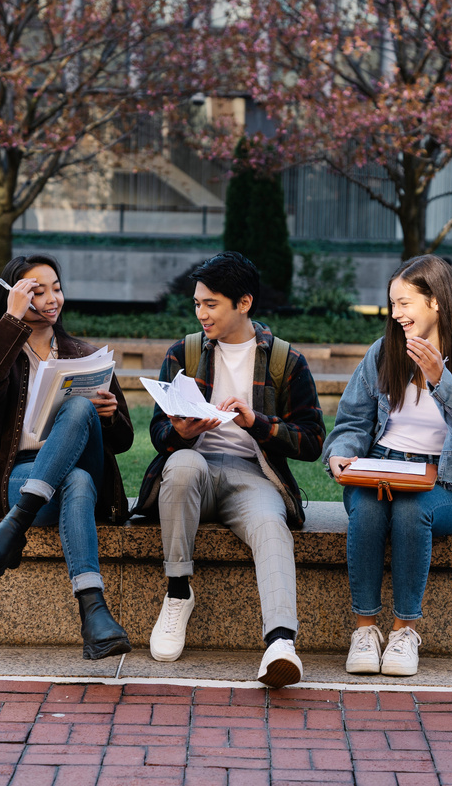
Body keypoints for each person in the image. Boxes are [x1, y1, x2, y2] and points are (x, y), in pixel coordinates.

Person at [133, 252, 325, 688]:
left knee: (271, 525)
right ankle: (178, 593)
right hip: (193, 467)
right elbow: (158, 434)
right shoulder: (184, 351)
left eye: (211, 303)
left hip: (251, 475)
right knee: (180, 464)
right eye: (198, 303)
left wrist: (257, 422)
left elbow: (313, 441)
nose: (202, 313)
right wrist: (181, 431)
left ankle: (280, 643)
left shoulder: (284, 360)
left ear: (244, 303)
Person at [323, 254, 452, 677]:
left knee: (412, 510)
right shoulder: (384, 351)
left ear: (436, 301)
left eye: (405, 303)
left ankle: (405, 631)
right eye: (393, 304)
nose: (397, 314)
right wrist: (341, 452)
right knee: (370, 510)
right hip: (379, 468)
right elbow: (352, 421)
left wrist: (441, 382)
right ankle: (365, 630)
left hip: (447, 483)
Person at [0, 253, 134, 661]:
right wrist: (11, 322)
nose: (53, 298)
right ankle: (94, 612)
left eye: (57, 287)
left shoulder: (84, 354)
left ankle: (14, 528)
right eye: (38, 290)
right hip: (15, 475)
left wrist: (109, 416)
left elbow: (122, 441)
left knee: (82, 410)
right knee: (78, 483)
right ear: (15, 296)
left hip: (76, 464)